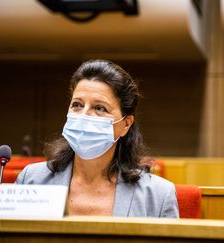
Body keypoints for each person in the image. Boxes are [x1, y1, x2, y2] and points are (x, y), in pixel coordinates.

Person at [16, 59, 179, 218]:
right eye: (77, 105)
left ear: (126, 125)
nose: (84, 115)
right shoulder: (31, 179)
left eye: (99, 108)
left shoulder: (159, 196)